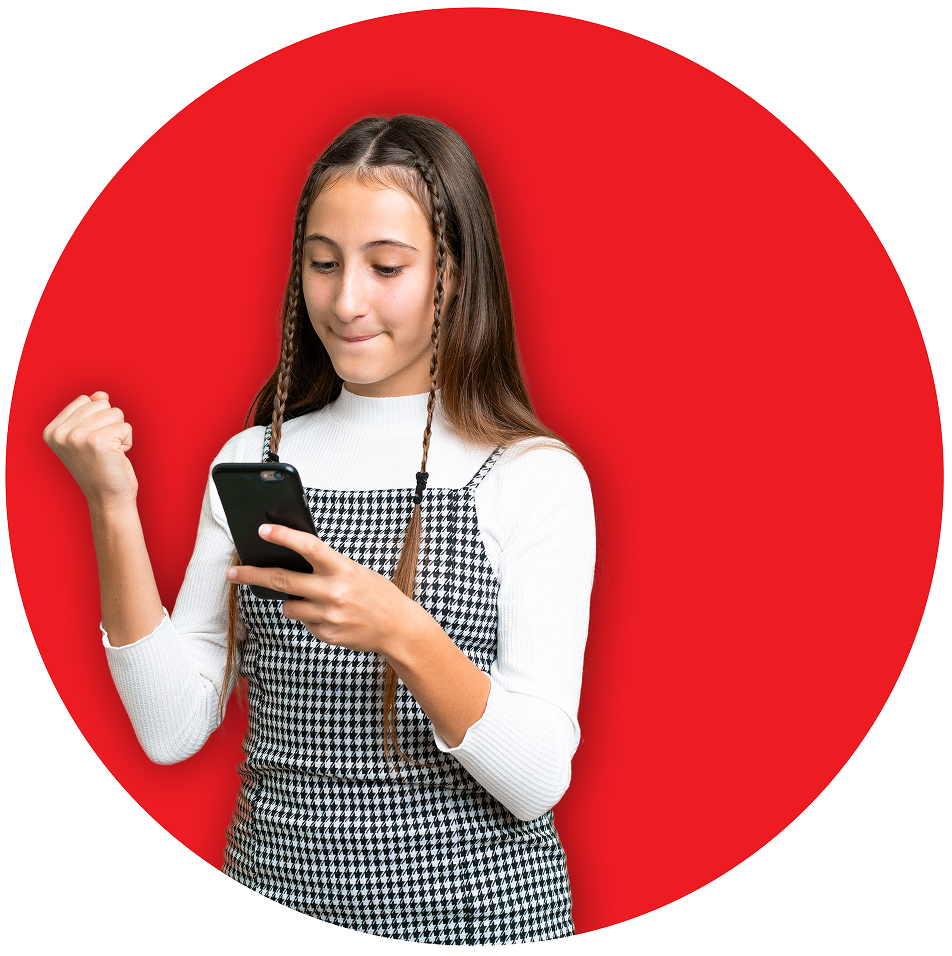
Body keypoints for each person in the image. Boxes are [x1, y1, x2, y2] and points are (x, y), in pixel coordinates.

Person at [43, 115, 596, 945]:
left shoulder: (531, 476)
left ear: (452, 273)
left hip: (476, 922)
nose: (345, 302)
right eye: (324, 263)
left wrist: (402, 631)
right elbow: (170, 728)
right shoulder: (255, 458)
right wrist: (111, 508)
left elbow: (537, 778)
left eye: (386, 267)